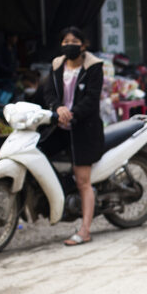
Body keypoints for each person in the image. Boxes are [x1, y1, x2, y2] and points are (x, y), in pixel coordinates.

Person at [39, 27, 104, 246]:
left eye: (74, 41)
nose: (69, 44)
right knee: (40, 153)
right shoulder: (57, 65)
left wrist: (72, 113)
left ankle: (85, 230)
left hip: (84, 129)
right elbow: (48, 93)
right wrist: (58, 109)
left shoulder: (93, 67)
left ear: (83, 45)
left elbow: (92, 99)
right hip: (60, 126)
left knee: (83, 181)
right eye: (65, 41)